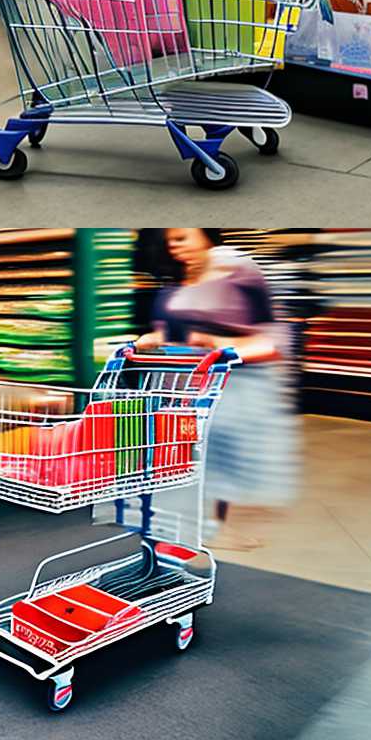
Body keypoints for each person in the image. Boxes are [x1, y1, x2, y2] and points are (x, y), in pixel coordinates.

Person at [137, 228, 297, 551]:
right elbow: (165, 332)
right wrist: (152, 340)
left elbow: (270, 334)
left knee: (218, 456)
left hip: (228, 383)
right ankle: (182, 527)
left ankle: (214, 526)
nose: (175, 246)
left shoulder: (238, 275)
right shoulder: (172, 288)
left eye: (182, 238)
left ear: (206, 237)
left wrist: (222, 343)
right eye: (171, 241)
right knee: (185, 455)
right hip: (181, 385)